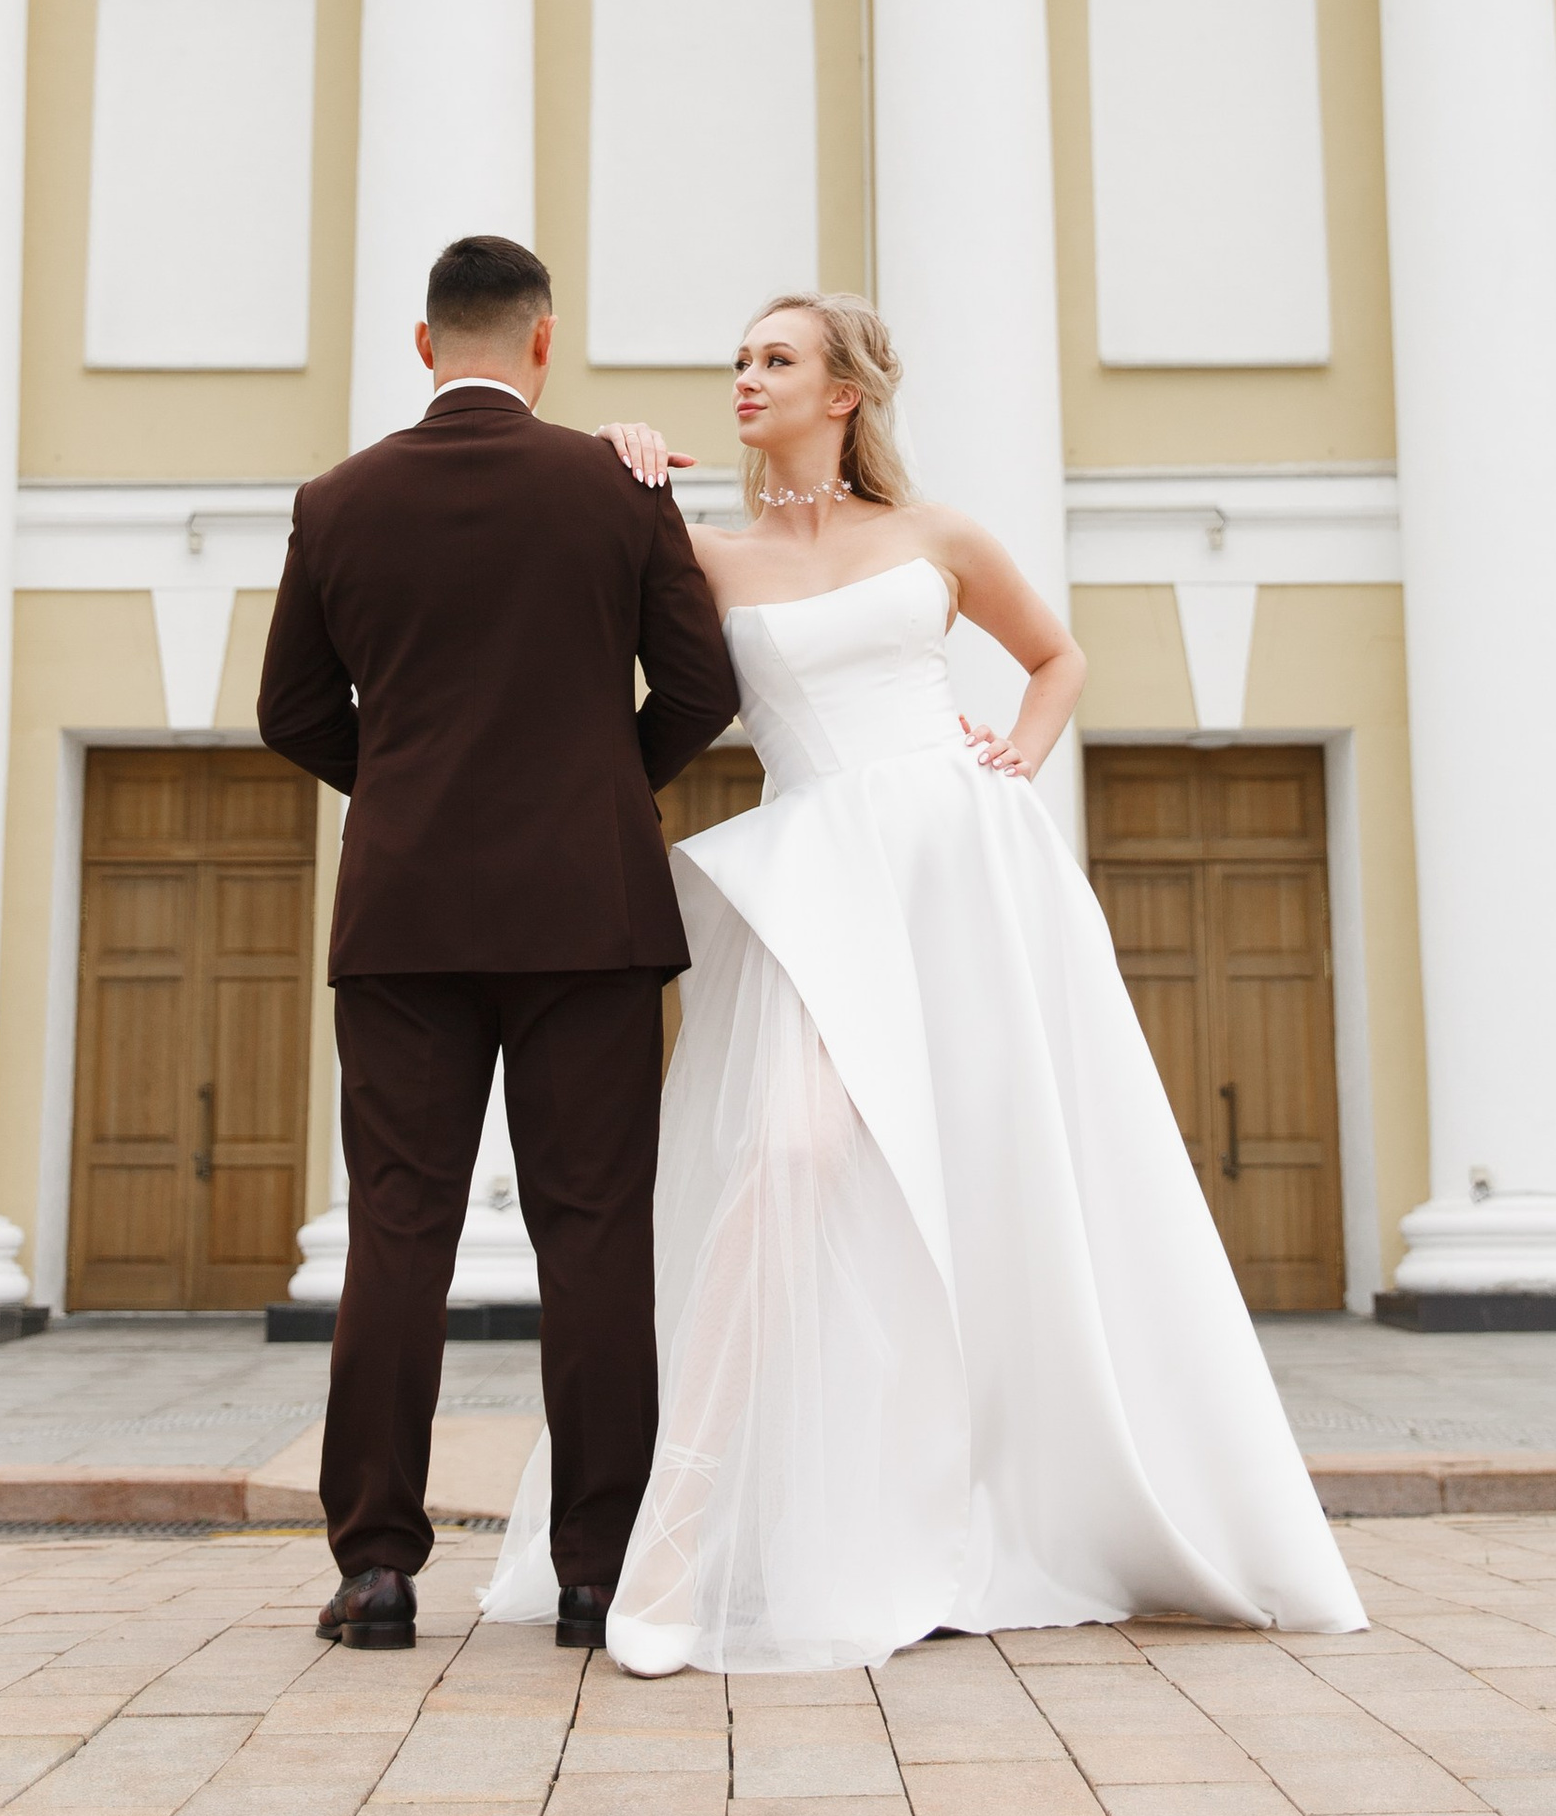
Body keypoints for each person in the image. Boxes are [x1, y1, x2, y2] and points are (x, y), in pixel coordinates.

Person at [485, 289, 1366, 1670]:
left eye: (775, 358)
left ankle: (986, 1503)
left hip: (962, 867)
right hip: (819, 875)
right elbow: (626, 614)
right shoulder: (701, 550)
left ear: (844, 391)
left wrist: (1014, 746)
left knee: (993, 1175)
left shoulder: (938, 534)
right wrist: (623, 452)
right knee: (781, 1160)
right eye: (737, 359)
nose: (746, 378)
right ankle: (683, 1530)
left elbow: (1058, 655)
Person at [258, 234, 740, 1651]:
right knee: (593, 1236)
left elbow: (292, 712)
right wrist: (598, 786)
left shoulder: (336, 501)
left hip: (405, 918)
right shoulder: (616, 486)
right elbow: (700, 686)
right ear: (544, 342)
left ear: (423, 345)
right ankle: (597, 1567)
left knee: (397, 1232)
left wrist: (409, 789)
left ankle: (377, 1567)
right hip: (588, 914)